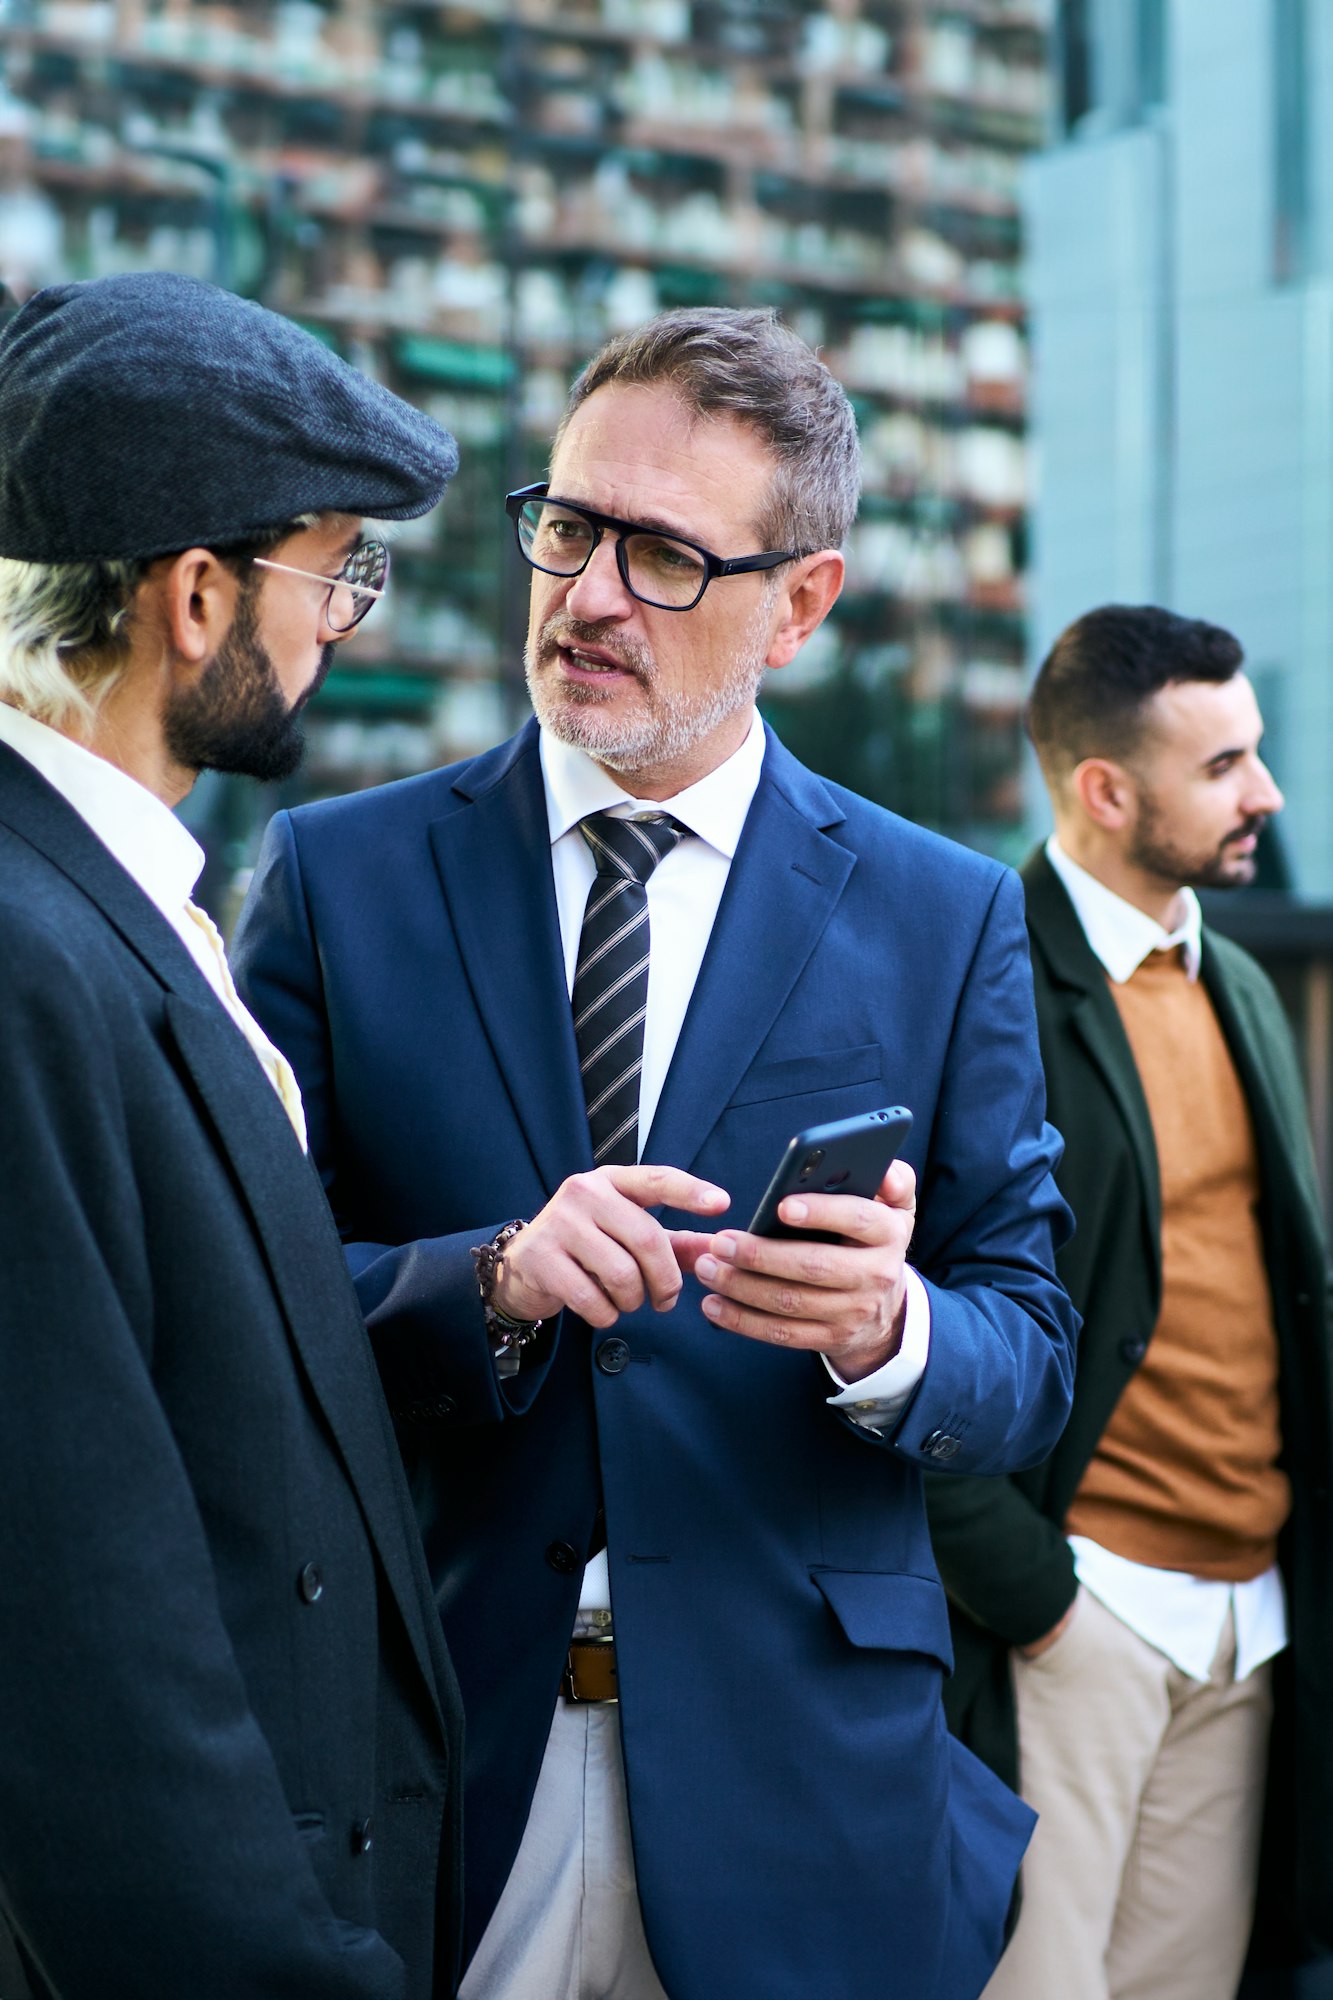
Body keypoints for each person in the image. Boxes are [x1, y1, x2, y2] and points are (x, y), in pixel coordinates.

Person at [234, 305, 1079, 2000]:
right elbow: (231, 1301)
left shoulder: (944, 912)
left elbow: (1029, 1345)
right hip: (437, 1756)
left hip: (806, 1789)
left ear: (802, 604)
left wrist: (884, 1330)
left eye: (665, 556)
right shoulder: (339, 878)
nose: (590, 592)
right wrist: (482, 1281)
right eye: (566, 525)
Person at [0, 271, 467, 2000]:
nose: (344, 618)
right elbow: (73, 1613)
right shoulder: (29, 954)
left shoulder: (109, 904)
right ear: (195, 597)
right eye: (336, 567)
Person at [926, 604, 1333, 2000]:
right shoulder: (976, 982)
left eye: (1254, 754)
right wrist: (1040, 1598)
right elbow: (901, 1321)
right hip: (1076, 1620)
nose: (1264, 796)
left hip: (1246, 1622)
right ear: (1105, 791)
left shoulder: (1236, 986)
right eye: (1221, 766)